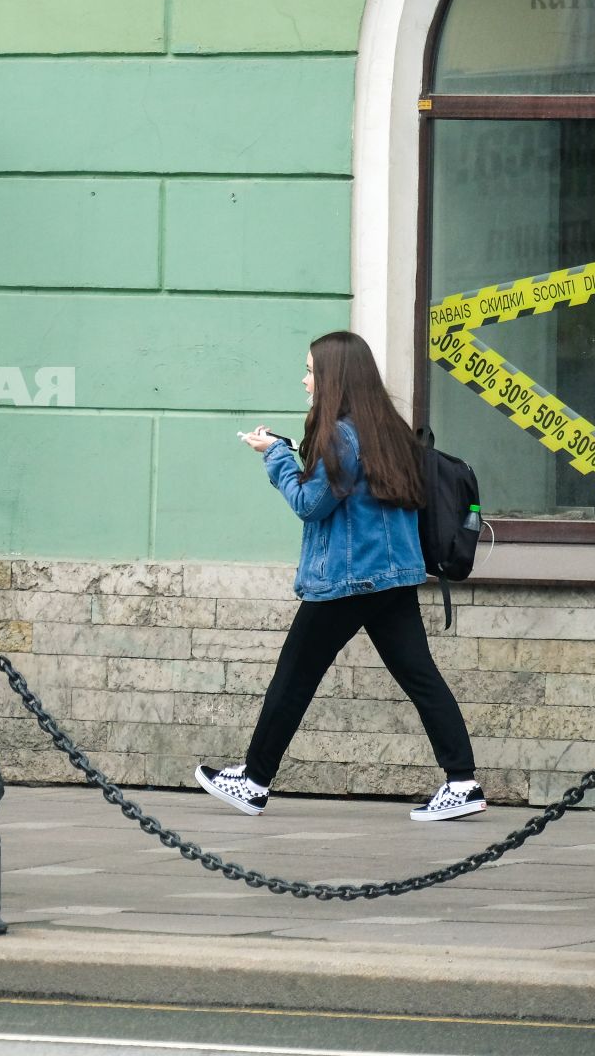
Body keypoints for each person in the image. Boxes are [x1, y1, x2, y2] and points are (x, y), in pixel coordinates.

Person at [196, 330, 484, 823]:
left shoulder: (342, 436)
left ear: (333, 377)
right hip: (392, 577)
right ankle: (463, 782)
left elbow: (310, 504)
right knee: (421, 677)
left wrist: (275, 458)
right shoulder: (386, 428)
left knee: (293, 678)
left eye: (311, 371)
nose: (306, 381)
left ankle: (254, 781)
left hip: (349, 581)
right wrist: (293, 449)